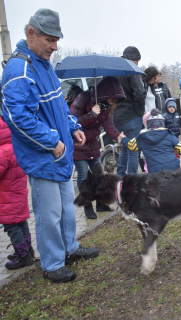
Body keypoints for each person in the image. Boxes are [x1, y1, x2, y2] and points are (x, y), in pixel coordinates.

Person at [1, 9, 98, 283]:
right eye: (50, 40)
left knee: (67, 207)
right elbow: (17, 117)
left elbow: (58, 105)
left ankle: (70, 249)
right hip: (43, 156)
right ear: (32, 34)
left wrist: (73, 127)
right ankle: (52, 263)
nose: (55, 47)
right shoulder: (19, 70)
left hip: (61, 152)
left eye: (57, 40)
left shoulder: (43, 65)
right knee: (49, 213)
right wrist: (50, 140)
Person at [70, 76, 126, 219]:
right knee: (83, 175)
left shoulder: (106, 106)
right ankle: (87, 206)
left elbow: (108, 125)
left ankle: (101, 204)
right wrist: (91, 115)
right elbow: (71, 121)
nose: (114, 101)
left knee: (99, 175)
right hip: (78, 143)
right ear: (106, 93)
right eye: (112, 98)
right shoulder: (83, 97)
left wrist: (118, 136)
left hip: (93, 144)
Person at [0, 118, 34, 270]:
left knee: (11, 227)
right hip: (19, 194)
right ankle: (28, 250)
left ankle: (23, 256)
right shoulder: (15, 146)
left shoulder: (2, 152)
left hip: (7, 198)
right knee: (21, 222)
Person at [120, 108, 181, 173]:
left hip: (155, 172)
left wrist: (123, 139)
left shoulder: (143, 137)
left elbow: (131, 145)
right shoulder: (169, 135)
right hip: (173, 169)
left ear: (148, 125)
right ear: (163, 124)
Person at [114, 46, 146, 177]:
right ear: (135, 59)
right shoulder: (131, 69)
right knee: (133, 150)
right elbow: (139, 92)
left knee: (125, 147)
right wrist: (140, 112)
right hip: (131, 115)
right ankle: (131, 181)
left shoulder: (113, 69)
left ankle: (120, 177)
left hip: (116, 116)